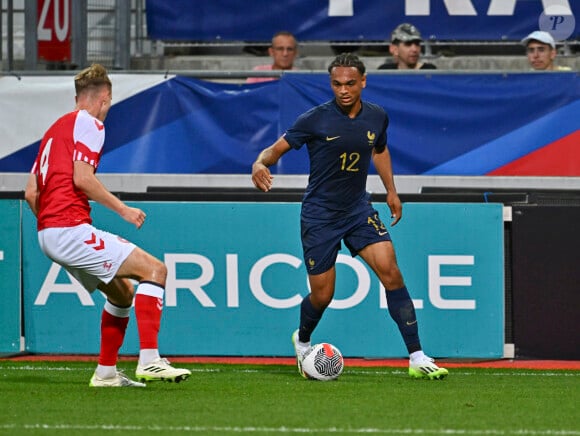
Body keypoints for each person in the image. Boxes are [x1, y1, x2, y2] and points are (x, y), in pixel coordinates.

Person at [251, 53, 448, 380]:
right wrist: (259, 164)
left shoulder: (376, 116)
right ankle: (302, 340)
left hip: (358, 210)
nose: (343, 90)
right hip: (320, 216)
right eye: (337, 84)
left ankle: (417, 356)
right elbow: (273, 151)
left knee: (392, 272)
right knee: (323, 295)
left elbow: (380, 149)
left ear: (363, 82)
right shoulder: (314, 119)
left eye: (350, 84)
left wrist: (392, 190)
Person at [24, 64, 191, 388]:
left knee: (123, 294)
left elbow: (31, 192)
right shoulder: (90, 124)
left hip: (49, 232)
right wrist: (123, 210)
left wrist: (49, 225)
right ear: (105, 97)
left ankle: (106, 373)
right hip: (68, 228)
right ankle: (150, 359)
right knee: (155, 270)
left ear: (78, 97)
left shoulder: (53, 132)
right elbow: (82, 179)